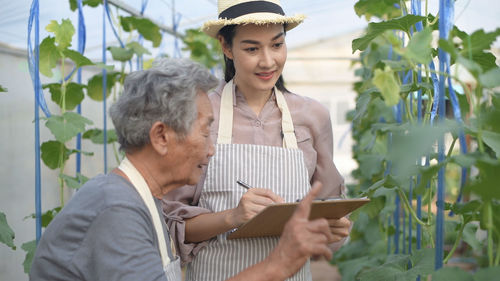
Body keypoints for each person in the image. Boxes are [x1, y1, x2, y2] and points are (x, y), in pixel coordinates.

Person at [29, 58, 335, 281]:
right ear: (161, 136)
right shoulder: (116, 209)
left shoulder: (140, 200)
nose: (211, 148)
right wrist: (278, 264)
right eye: (205, 132)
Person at [162, 0, 352, 280]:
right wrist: (232, 216)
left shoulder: (312, 116)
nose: (268, 61)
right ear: (226, 48)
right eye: (252, 49)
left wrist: (335, 227)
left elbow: (329, 204)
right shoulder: (199, 114)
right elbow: (172, 224)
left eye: (277, 45)